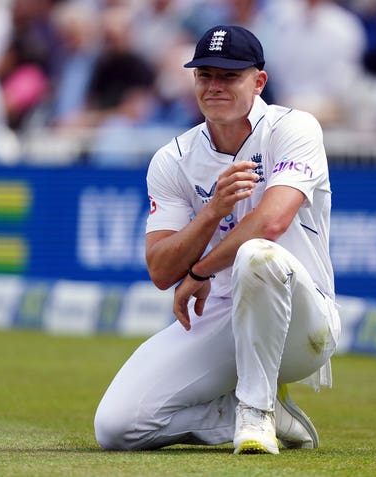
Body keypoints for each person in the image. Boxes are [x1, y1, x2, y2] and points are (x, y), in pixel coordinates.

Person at [94, 24, 340, 455]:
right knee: (117, 428)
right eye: (204, 75)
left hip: (301, 322)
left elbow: (271, 223)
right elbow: (161, 269)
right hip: (225, 317)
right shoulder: (174, 158)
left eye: (229, 76)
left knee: (259, 256)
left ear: (258, 81)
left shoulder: (293, 128)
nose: (214, 86)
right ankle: (243, 411)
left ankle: (257, 411)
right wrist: (211, 211)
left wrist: (202, 269)